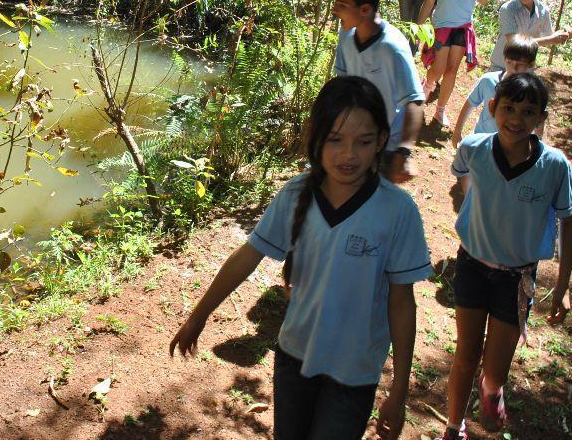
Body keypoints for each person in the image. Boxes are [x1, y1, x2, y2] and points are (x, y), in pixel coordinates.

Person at [170, 76, 432, 440]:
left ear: (382, 140)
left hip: (354, 372)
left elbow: (402, 302)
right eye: (335, 139)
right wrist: (199, 315)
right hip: (294, 356)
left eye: (364, 141)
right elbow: (248, 256)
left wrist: (399, 389)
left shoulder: (397, 211)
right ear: (314, 136)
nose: (348, 154)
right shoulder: (295, 194)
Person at [435, 73, 572, 440]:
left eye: (528, 111)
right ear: (494, 108)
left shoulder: (555, 167)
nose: (516, 119)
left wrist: (562, 287)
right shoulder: (473, 148)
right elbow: (464, 179)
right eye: (509, 108)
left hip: (517, 279)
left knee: (495, 370)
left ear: (541, 118)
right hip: (472, 265)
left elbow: (568, 222)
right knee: (466, 355)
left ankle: (491, 387)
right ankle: (454, 425)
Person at [332, 0, 425, 183]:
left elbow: (414, 100)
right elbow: (343, 83)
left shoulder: (392, 47)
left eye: (343, 4)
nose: (335, 10)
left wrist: (405, 152)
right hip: (356, 137)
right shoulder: (347, 36)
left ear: (365, 9)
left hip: (387, 144)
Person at [418, 0, 490, 127]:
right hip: (442, 27)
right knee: (438, 69)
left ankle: (440, 110)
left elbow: (483, 0)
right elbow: (429, 1)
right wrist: (419, 26)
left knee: (451, 70)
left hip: (462, 29)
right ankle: (428, 85)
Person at [451, 35, 539, 148]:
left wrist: (536, 143)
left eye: (520, 64)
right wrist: (457, 131)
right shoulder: (488, 81)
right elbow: (470, 104)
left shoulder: (534, 90)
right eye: (509, 62)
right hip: (482, 142)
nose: (514, 68)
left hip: (513, 147)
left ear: (531, 64)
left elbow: (538, 119)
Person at [488, 0, 572, 71]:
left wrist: (563, 33)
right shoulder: (508, 9)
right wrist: (551, 39)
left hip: (525, 69)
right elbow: (513, 42)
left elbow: (548, 37)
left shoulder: (543, 10)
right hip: (502, 66)